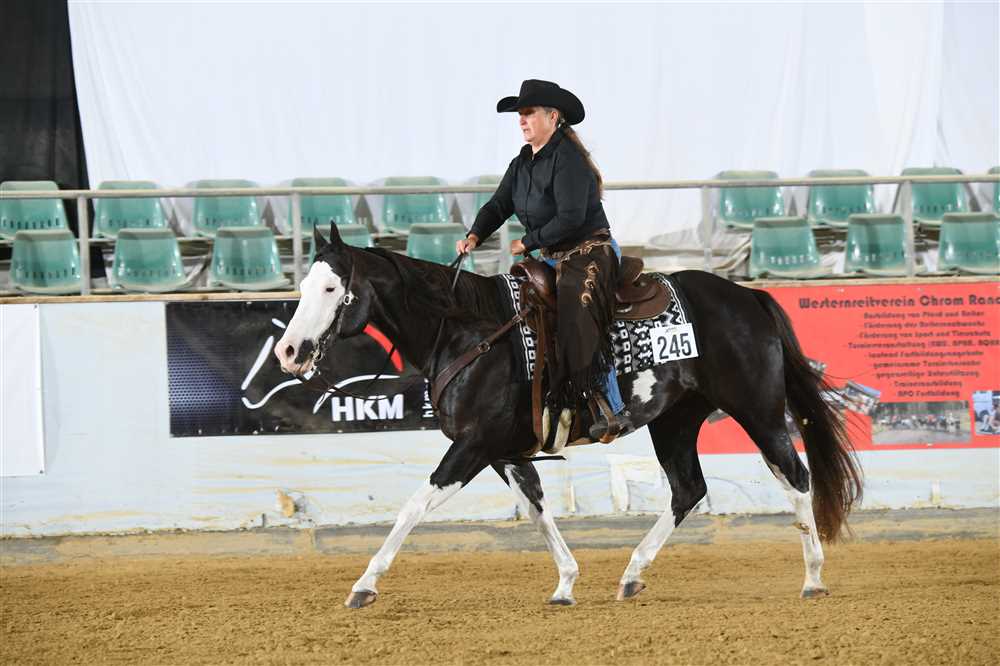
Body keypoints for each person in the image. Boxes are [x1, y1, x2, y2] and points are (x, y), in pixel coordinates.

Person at [455, 79, 628, 440]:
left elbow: (571, 217)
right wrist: (475, 234)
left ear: (553, 117)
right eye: (520, 114)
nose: (522, 120)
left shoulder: (570, 161)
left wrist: (528, 241)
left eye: (529, 113)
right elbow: (499, 204)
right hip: (551, 256)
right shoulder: (522, 162)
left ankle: (611, 406)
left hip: (589, 251)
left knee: (578, 313)